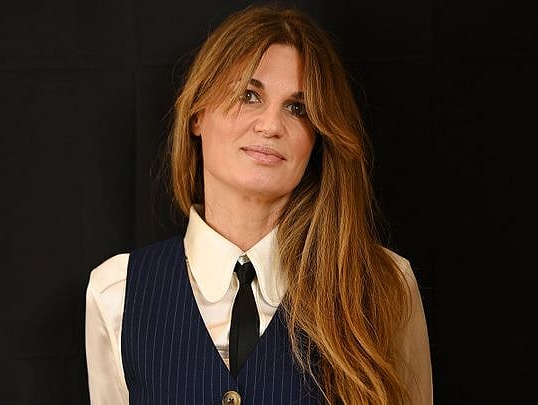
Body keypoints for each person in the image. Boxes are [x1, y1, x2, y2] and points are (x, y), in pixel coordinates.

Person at [85, 5, 432, 405]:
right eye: (249, 96)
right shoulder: (117, 292)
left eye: (297, 108)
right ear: (197, 114)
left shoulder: (385, 284)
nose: (270, 125)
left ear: (318, 136)